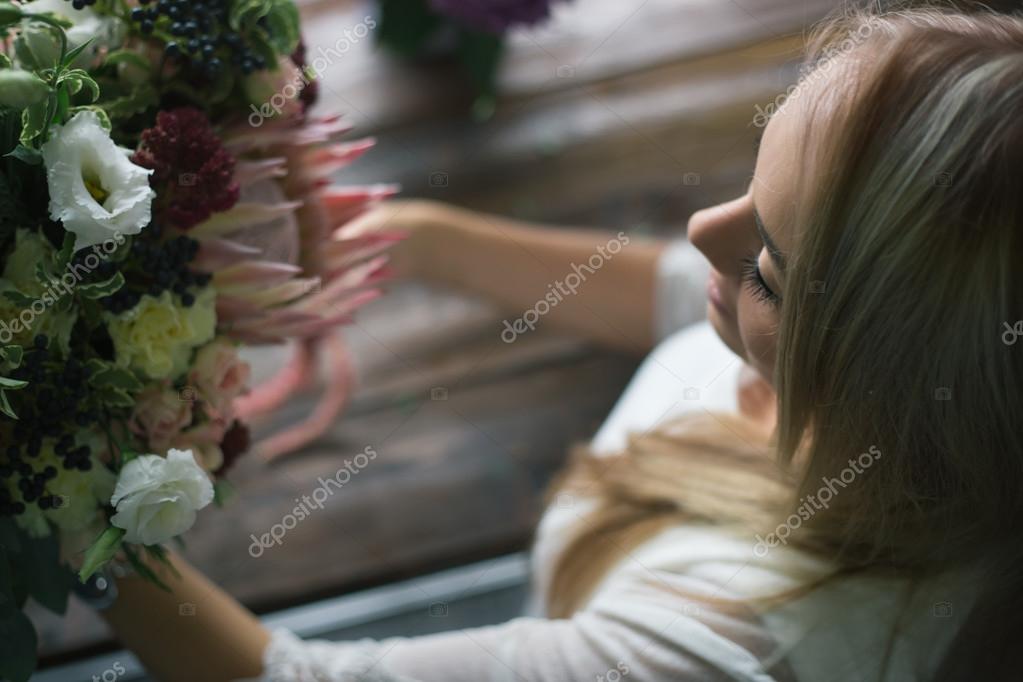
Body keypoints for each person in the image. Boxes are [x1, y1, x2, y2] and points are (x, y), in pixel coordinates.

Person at [96, 5, 1023, 681]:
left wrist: (76, 514)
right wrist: (415, 240)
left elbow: (286, 677)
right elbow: (671, 293)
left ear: (889, 381)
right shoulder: (899, 396)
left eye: (765, 270)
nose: (701, 229)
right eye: (752, 182)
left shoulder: (729, 649)